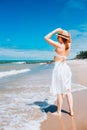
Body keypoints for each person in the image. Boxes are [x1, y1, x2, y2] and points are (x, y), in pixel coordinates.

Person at [44, 28, 74, 116]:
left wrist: (55, 31)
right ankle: (71, 111)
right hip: (66, 68)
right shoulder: (69, 45)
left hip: (59, 69)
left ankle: (59, 111)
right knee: (68, 91)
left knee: (59, 91)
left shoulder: (58, 45)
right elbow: (69, 38)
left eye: (58, 37)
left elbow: (46, 38)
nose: (57, 38)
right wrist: (64, 33)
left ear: (61, 38)